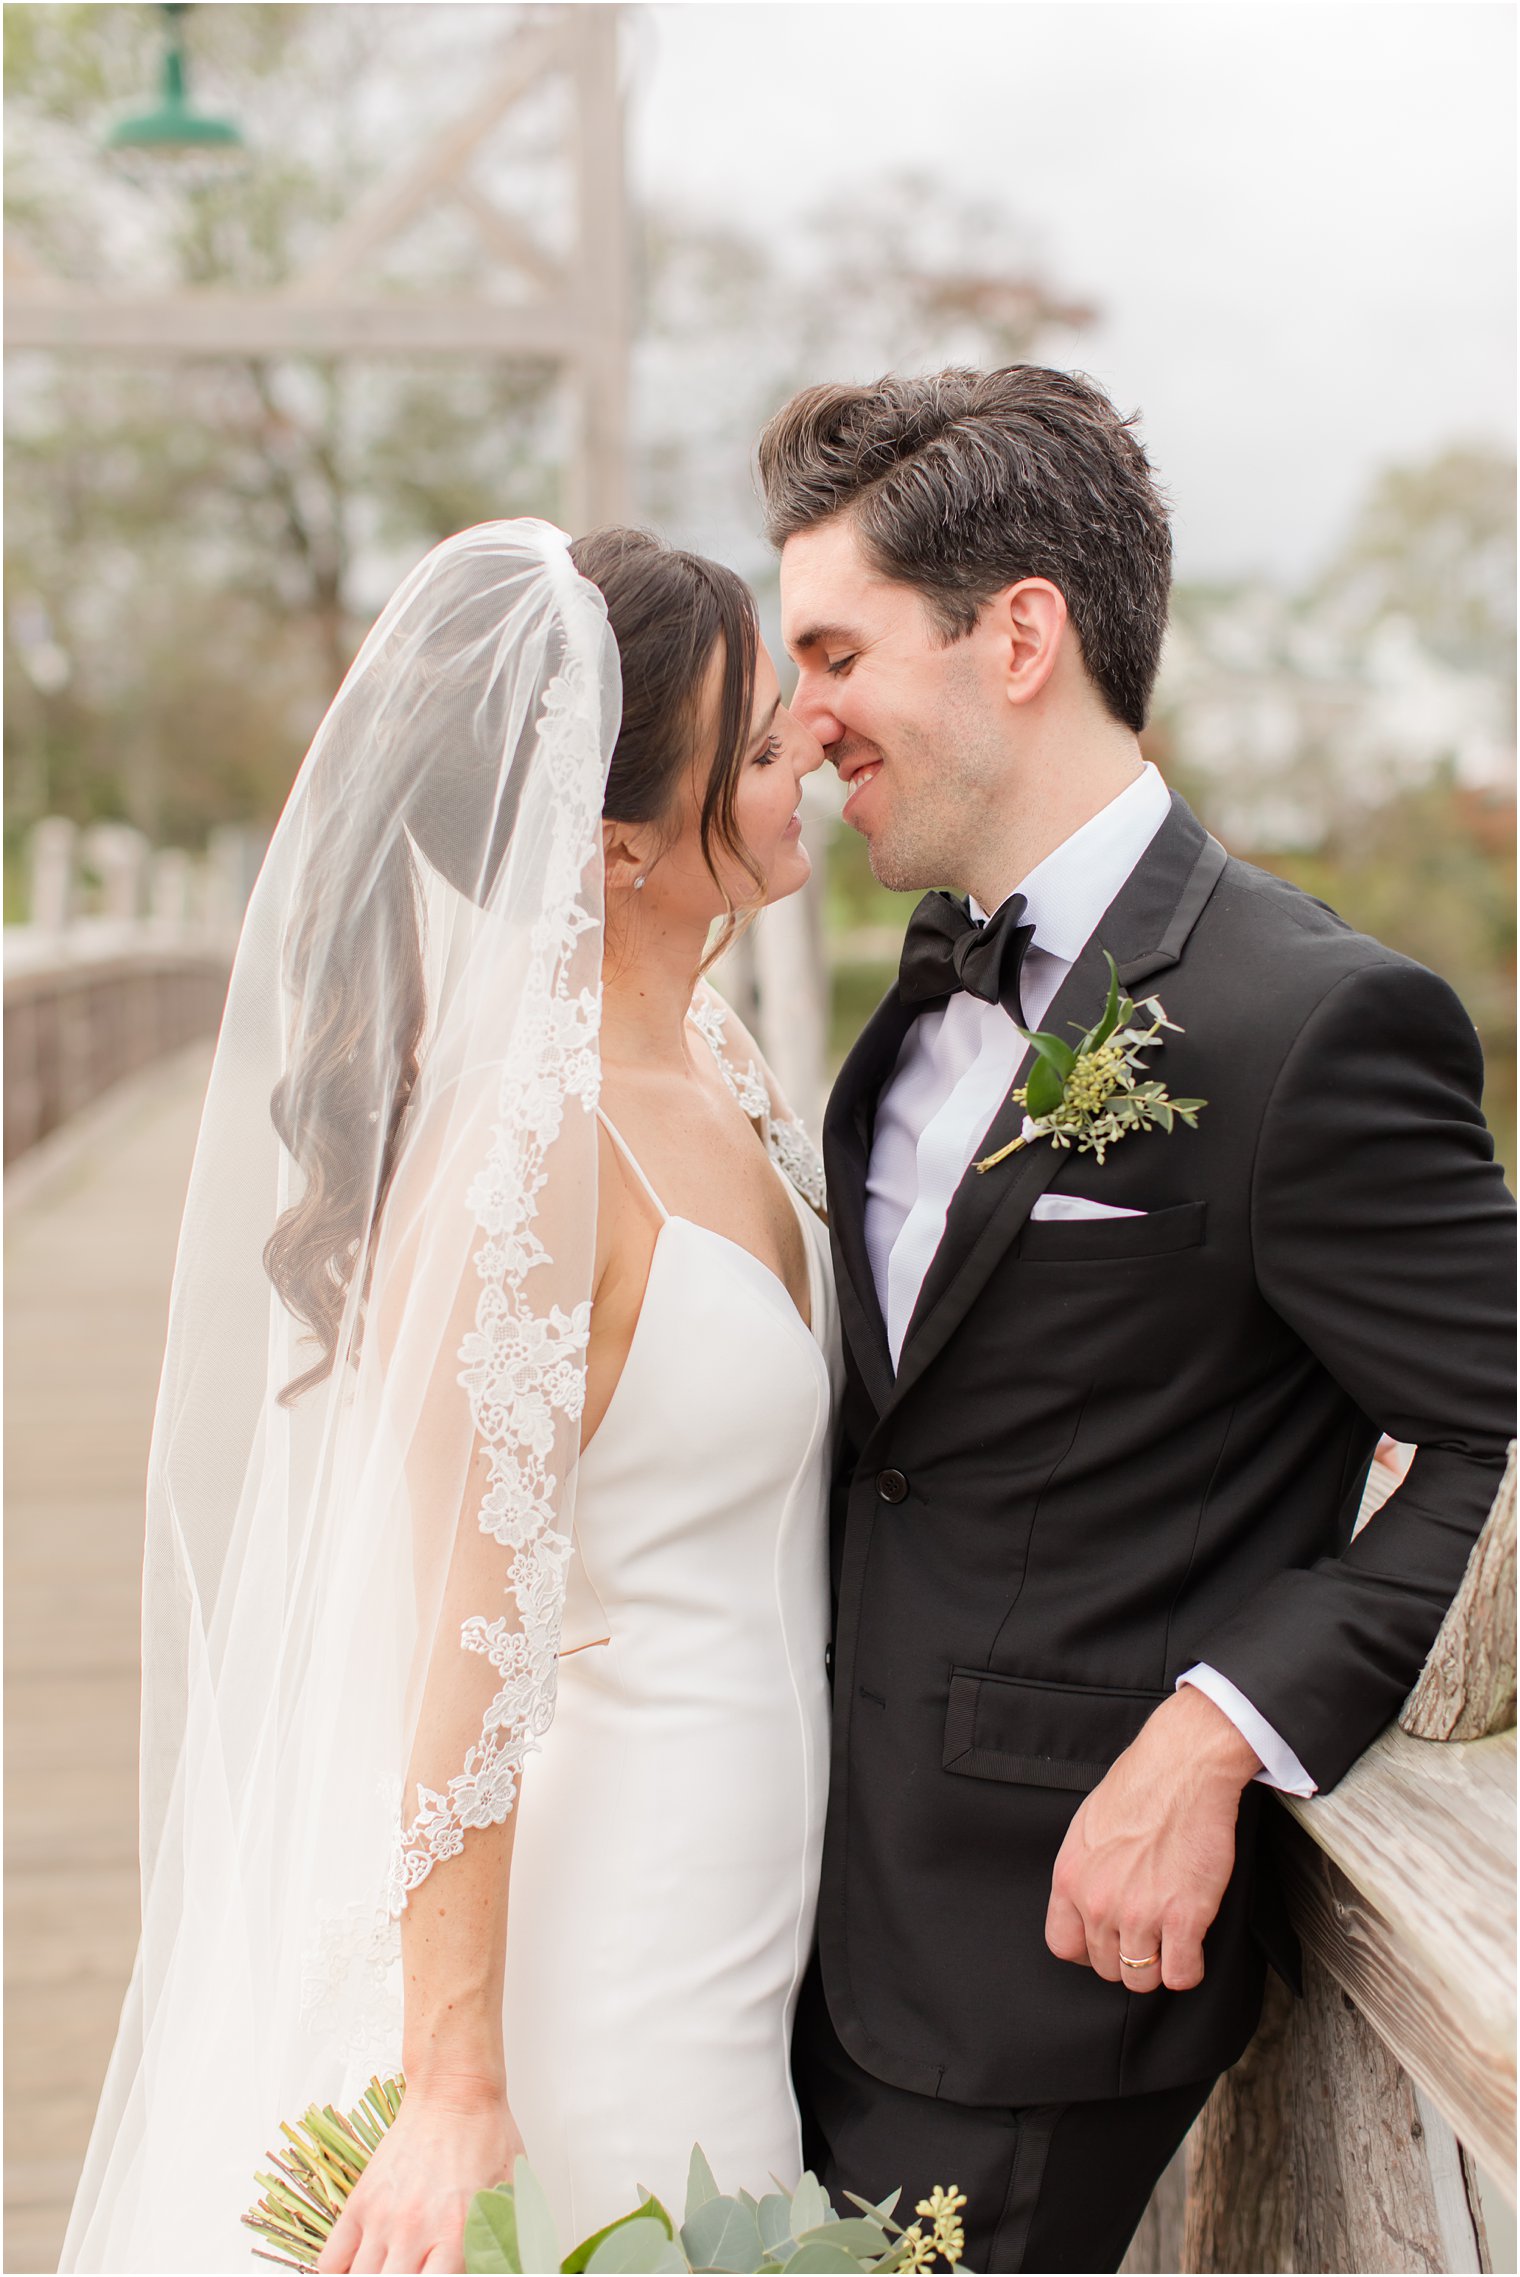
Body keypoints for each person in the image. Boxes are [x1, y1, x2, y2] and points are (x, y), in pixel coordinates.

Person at [756, 365, 1517, 2274]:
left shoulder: (1314, 1020)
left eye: (837, 648)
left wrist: (1219, 1729)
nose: (803, 713)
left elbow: (1500, 1428)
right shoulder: (914, 1003)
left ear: (1019, 636)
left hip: (1039, 1976)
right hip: (779, 1910)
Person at [61, 520, 838, 2274]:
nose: (813, 749)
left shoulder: (717, 1057)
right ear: (625, 845)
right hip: (607, 1905)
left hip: (752, 1879)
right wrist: (453, 2068)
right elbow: (462, 1654)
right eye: (764, 730)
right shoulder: (525, 1159)